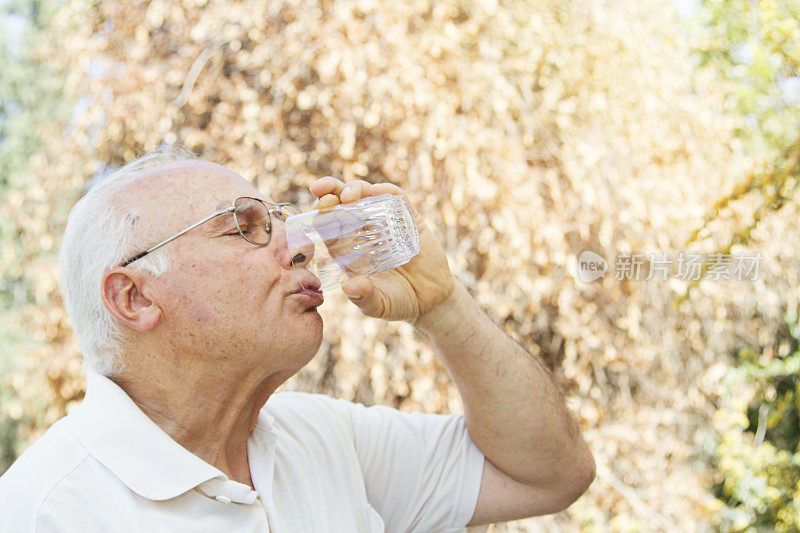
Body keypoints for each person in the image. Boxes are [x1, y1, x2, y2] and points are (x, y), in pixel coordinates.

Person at [0, 149, 595, 532]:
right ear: (135, 298)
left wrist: (445, 307)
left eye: (280, 220)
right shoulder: (44, 511)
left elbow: (550, 474)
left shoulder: (323, 438)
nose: (302, 244)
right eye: (246, 227)